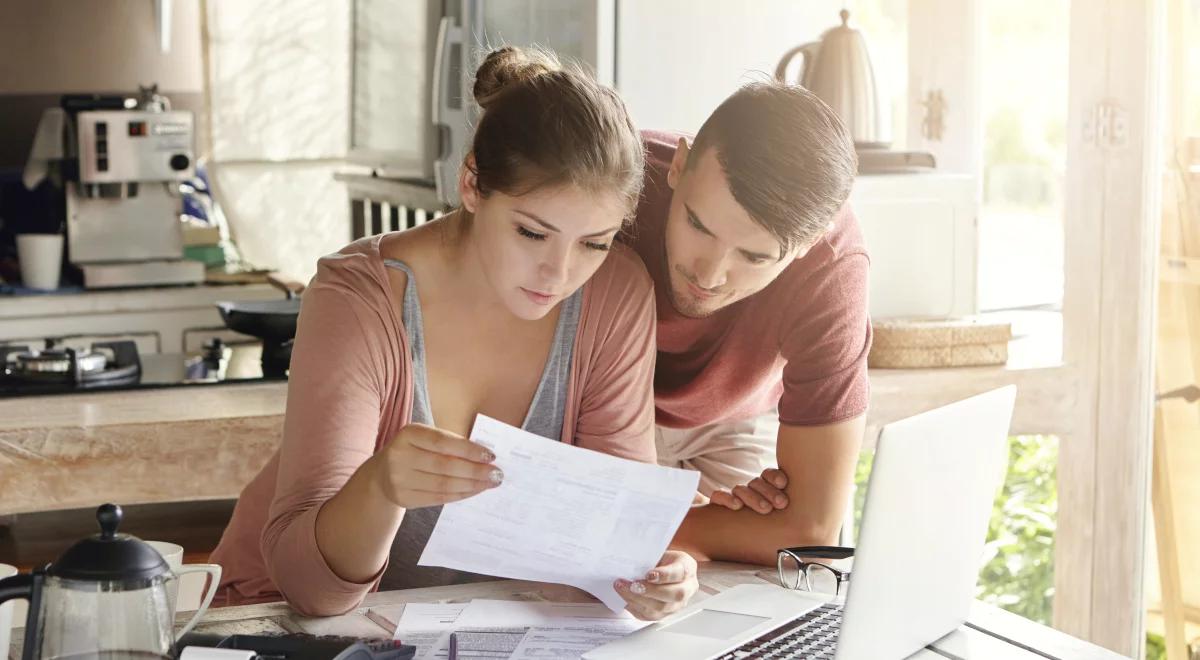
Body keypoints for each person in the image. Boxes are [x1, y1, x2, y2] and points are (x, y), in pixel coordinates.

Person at [209, 46, 698, 620]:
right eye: (532, 233)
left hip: (475, 628)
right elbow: (311, 592)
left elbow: (605, 543)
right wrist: (380, 488)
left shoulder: (615, 292)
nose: (559, 273)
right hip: (280, 620)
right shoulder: (357, 298)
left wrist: (649, 574)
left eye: (594, 242)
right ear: (471, 184)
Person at [624, 82, 870, 566]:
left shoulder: (833, 267)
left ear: (808, 244)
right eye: (698, 225)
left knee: (760, 592)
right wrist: (698, 526)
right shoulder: (614, 177)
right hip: (600, 411)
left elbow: (810, 532)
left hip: (732, 421)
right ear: (678, 165)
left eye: (754, 256)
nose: (708, 275)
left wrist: (641, 522)